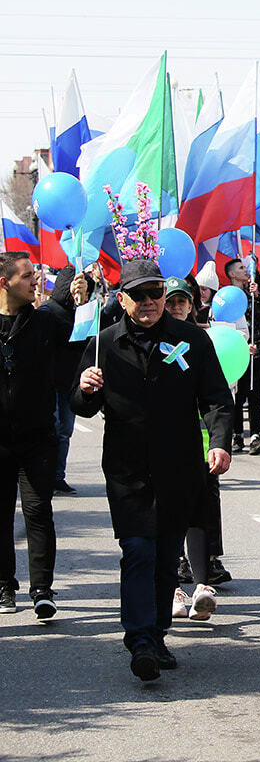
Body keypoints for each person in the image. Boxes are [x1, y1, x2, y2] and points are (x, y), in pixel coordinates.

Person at [71, 259, 233, 680]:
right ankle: (140, 639)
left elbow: (216, 398)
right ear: (122, 299)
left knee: (165, 557)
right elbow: (82, 404)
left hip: (178, 466)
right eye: (138, 295)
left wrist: (218, 444)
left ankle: (157, 634)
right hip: (127, 469)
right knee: (138, 551)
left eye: (155, 293)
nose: (149, 302)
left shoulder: (190, 340)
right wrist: (85, 389)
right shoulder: (105, 342)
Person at [0, 253, 80, 618]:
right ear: (5, 282)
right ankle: (4, 586)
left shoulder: (45, 322)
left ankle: (42, 590)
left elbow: (81, 334)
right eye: (28, 276)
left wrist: (80, 291)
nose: (37, 281)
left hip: (37, 438)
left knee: (37, 511)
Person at [160, 277, 226, 619]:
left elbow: (216, 396)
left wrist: (219, 441)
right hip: (157, 445)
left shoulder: (199, 339)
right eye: (169, 301)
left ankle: (202, 586)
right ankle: (172, 588)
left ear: (191, 304)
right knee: (166, 516)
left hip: (197, 443)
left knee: (198, 511)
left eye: (181, 302)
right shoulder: (150, 338)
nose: (175, 308)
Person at [39, 263, 92, 495]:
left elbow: (87, 343)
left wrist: (83, 308)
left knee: (64, 432)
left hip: (70, 384)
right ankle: (44, 476)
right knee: (51, 431)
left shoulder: (83, 313)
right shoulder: (47, 312)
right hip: (49, 385)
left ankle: (57, 477)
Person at [225, 258, 260, 454]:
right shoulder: (226, 295)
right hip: (235, 351)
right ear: (232, 274)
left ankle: (256, 434)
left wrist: (256, 296)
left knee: (254, 393)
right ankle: (237, 435)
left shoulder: (252, 293)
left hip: (256, 349)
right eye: (241, 268)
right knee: (237, 394)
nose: (246, 270)